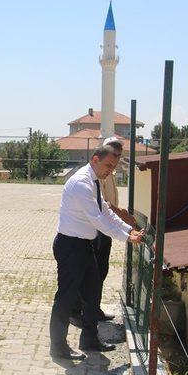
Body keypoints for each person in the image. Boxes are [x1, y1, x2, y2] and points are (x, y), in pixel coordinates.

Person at [49, 145, 143, 360]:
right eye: (108, 165)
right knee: (66, 297)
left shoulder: (94, 181)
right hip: (70, 246)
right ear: (95, 159)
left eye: (114, 166)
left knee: (92, 293)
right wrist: (127, 238)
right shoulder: (82, 183)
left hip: (83, 245)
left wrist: (129, 229)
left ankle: (90, 340)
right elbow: (98, 220)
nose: (111, 170)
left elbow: (106, 211)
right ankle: (58, 347)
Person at [70, 137, 138, 326]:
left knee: (100, 270)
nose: (116, 159)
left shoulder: (108, 171)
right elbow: (102, 207)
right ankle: (76, 311)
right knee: (87, 273)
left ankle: (93, 309)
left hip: (105, 226)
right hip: (96, 228)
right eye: (114, 154)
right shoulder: (92, 176)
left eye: (119, 155)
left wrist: (123, 227)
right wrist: (124, 225)